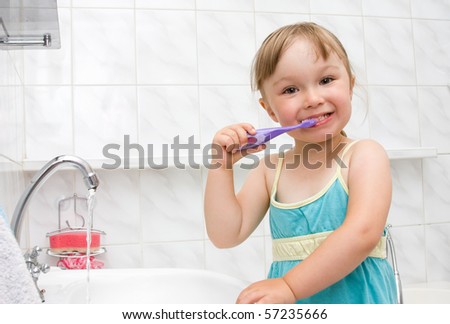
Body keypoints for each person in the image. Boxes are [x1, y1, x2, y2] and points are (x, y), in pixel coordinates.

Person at [204, 22, 397, 304]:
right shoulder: (271, 170)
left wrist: (290, 287)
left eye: (326, 80)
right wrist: (221, 165)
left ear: (351, 86)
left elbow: (362, 233)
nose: (312, 99)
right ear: (269, 109)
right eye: (291, 89)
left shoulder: (364, 155)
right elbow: (226, 235)